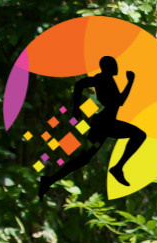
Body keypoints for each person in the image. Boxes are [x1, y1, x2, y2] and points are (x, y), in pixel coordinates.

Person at [38, 55, 148, 197]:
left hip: (104, 123)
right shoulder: (103, 79)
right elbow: (118, 100)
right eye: (113, 64)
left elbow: (115, 100)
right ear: (108, 67)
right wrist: (130, 82)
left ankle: (49, 180)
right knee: (139, 135)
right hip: (105, 123)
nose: (117, 67)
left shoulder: (107, 79)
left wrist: (76, 107)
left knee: (83, 158)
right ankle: (118, 168)